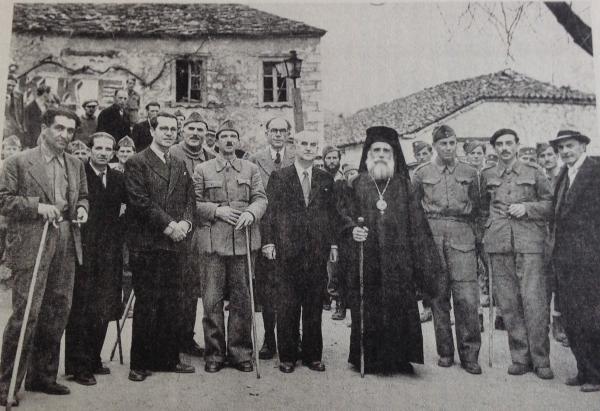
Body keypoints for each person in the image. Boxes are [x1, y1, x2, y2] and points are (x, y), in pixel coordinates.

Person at [0, 108, 89, 406]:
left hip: (65, 239)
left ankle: (43, 376)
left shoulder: (75, 164)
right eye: (59, 128)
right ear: (44, 128)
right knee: (26, 314)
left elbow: (83, 195)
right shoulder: (18, 161)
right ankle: (6, 384)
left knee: (57, 310)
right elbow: (3, 199)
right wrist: (37, 207)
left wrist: (82, 209)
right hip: (32, 241)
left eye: (70, 130)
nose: (65, 135)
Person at [337, 126, 441, 375]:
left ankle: (400, 359)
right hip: (368, 257)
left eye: (386, 150)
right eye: (377, 150)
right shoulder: (357, 183)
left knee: (399, 304)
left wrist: (422, 261)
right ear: (369, 154)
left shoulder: (404, 185)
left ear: (393, 155)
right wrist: (352, 230)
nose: (381, 154)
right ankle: (369, 359)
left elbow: (417, 224)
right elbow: (344, 215)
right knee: (369, 304)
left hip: (399, 259)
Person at [124, 111, 195, 381]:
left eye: (173, 129)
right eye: (163, 128)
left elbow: (190, 199)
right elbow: (139, 201)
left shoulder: (179, 163)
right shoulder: (137, 162)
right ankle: (139, 364)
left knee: (171, 302)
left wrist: (186, 223)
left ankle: (167, 359)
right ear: (152, 131)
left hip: (175, 244)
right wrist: (170, 226)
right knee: (147, 303)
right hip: (148, 244)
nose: (168, 133)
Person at [193, 119, 266, 373]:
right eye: (224, 136)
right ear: (216, 141)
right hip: (212, 244)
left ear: (238, 141)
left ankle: (241, 353)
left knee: (242, 301)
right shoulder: (203, 169)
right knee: (211, 301)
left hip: (243, 244)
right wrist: (217, 210)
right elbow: (193, 202)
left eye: (233, 136)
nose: (228, 140)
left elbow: (260, 198)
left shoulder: (250, 168)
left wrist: (251, 213)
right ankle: (214, 354)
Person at [262, 130, 338, 374]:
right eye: (303, 143)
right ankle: (287, 356)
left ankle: (312, 355)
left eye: (313, 144)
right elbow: (270, 212)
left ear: (317, 149)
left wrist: (333, 244)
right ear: (294, 146)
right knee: (287, 305)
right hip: (287, 250)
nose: (308, 148)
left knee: (314, 304)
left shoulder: (325, 179)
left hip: (316, 251)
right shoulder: (280, 177)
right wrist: (269, 242)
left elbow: (332, 214)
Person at [481, 128, 554, 380]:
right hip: (499, 244)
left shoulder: (534, 172)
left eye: (509, 143)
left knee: (534, 301)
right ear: (494, 148)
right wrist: (487, 233)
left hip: (530, 243)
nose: (504, 148)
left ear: (517, 145)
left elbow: (550, 204)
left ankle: (541, 360)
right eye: (499, 144)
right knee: (509, 303)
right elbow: (481, 209)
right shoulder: (487, 175)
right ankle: (520, 358)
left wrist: (527, 208)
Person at [412, 126, 481, 374]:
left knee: (467, 298)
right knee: (438, 297)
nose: (448, 148)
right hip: (432, 235)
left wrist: (478, 240)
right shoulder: (421, 173)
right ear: (435, 146)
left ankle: (470, 354)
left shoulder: (470, 172)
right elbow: (414, 210)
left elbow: (479, 208)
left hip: (462, 233)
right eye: (443, 144)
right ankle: (445, 352)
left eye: (452, 143)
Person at [65, 132, 126, 386]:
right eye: (98, 148)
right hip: (85, 250)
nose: (103, 153)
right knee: (82, 308)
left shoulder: (118, 177)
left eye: (108, 149)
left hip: (110, 251)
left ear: (113, 152)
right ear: (90, 150)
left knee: (104, 305)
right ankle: (77, 365)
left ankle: (93, 358)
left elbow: (127, 208)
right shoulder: (80, 174)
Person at [550, 129, 600, 393]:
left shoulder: (595, 172)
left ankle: (596, 374)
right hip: (565, 259)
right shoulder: (563, 174)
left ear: (582, 146)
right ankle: (584, 370)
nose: (565, 152)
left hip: (589, 259)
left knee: (590, 317)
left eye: (570, 146)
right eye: (561, 148)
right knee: (571, 317)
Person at [248, 116, 295, 360]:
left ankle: (293, 337)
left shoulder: (297, 157)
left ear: (288, 134)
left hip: (292, 232)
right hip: (264, 228)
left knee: (292, 288)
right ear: (266, 133)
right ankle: (269, 338)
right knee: (268, 288)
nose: (278, 134)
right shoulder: (255, 160)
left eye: (282, 131)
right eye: (273, 130)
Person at [169, 111, 209, 357]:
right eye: (191, 128)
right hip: (175, 229)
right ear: (182, 131)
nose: (195, 133)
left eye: (200, 129)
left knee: (192, 287)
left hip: (201, 231)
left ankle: (186, 337)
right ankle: (169, 338)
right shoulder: (172, 153)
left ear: (206, 133)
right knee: (174, 286)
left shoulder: (210, 157)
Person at [536, 141, 567, 346]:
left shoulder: (564, 177)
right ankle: (543, 323)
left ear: (556, 155)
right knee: (543, 280)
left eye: (549, 155)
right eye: (542, 156)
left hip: (560, 233)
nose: (547, 159)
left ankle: (559, 322)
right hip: (542, 234)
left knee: (560, 280)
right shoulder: (539, 178)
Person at [413, 141, 433, 322]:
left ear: (431, 153)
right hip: (422, 226)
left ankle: (445, 310)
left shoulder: (437, 171)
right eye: (418, 155)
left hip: (438, 225)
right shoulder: (416, 175)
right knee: (425, 270)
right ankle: (427, 308)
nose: (422, 157)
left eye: (425, 153)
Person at [22, 85, 49, 149]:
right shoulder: (29, 108)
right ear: (39, 95)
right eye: (44, 96)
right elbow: (26, 126)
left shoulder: (46, 107)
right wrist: (28, 142)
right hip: (33, 139)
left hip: (44, 138)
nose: (46, 98)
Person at [4, 74, 24, 139]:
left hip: (11, 129)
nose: (11, 88)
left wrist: (19, 126)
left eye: (13, 86)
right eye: (8, 85)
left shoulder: (16, 97)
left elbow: (18, 113)